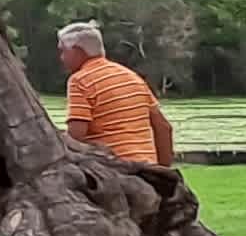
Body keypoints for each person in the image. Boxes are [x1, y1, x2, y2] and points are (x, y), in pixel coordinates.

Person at [57, 22, 175, 168]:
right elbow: (163, 128)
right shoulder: (132, 77)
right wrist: (163, 171)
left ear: (77, 51)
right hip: (147, 168)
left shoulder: (80, 80)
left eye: (63, 51)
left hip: (114, 170)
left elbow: (76, 136)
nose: (61, 58)